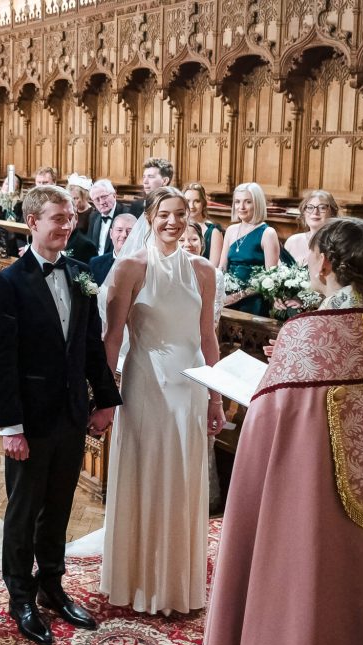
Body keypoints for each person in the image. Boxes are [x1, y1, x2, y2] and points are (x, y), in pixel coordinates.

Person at [200, 217, 363, 645]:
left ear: (326, 263)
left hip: (316, 507)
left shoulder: (311, 334)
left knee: (317, 597)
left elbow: (275, 419)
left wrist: (275, 374)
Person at [0, 185, 120, 645]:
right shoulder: (9, 283)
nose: (67, 225)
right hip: (30, 419)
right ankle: (20, 595)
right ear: (32, 223)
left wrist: (105, 401)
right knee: (24, 511)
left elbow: (89, 346)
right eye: (57, 218)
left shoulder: (81, 275)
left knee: (59, 506)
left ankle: (51, 585)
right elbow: (1, 364)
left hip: (70, 415)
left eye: (70, 218)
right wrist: (11, 428)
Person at [100, 186, 224, 616]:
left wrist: (215, 399)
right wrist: (103, 395)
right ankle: (137, 579)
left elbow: (208, 337)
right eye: (164, 214)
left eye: (181, 214)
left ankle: (175, 584)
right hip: (146, 382)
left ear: (190, 218)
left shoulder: (204, 270)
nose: (173, 222)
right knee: (147, 471)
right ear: (150, 217)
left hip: (190, 386)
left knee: (183, 479)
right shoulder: (130, 266)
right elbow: (112, 338)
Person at [179, 219, 225, 510]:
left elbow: (211, 328)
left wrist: (215, 395)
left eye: (193, 239)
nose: (188, 244)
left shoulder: (211, 275)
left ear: (202, 243)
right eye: (182, 239)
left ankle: (198, 500)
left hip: (197, 353)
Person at [218, 182, 281, 316]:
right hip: (227, 299)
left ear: (257, 204)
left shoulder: (268, 233)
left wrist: (238, 296)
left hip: (253, 302)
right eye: (237, 202)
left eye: (248, 202)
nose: (241, 207)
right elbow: (222, 268)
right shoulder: (230, 230)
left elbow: (271, 277)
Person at [283, 189, 339, 266]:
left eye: (322, 208)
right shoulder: (292, 241)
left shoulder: (338, 244)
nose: (315, 212)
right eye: (310, 207)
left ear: (332, 213)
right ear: (304, 212)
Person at [88, 212, 134, 285]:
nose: (124, 235)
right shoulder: (95, 263)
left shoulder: (146, 266)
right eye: (119, 230)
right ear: (111, 233)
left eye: (129, 231)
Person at [184, 182, 223, 265]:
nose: (191, 206)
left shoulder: (213, 231)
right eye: (187, 201)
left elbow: (214, 268)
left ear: (203, 203)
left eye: (197, 201)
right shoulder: (178, 227)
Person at [87, 179, 130, 254]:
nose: (101, 202)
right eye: (97, 199)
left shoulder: (126, 214)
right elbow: (90, 245)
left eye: (104, 197)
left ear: (114, 195)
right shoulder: (93, 216)